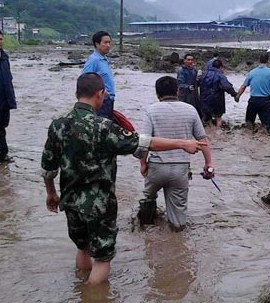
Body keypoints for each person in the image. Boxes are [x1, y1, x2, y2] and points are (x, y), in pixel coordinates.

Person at [41, 73, 205, 285]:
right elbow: (145, 143)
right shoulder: (105, 127)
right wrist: (182, 144)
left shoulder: (57, 125)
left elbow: (48, 167)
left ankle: (80, 288)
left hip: (71, 202)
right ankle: (92, 296)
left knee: (82, 248)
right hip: (100, 204)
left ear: (77, 93)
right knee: (102, 259)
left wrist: (51, 193)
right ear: (100, 94)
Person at [139, 76, 214, 231]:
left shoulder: (151, 110)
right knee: (178, 215)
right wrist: (208, 164)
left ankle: (145, 232)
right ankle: (177, 238)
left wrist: (143, 163)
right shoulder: (190, 110)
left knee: (148, 197)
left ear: (157, 93)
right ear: (178, 91)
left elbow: (144, 141)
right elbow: (203, 139)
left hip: (156, 167)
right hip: (180, 169)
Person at [235, 53, 270, 134]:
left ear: (258, 61)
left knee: (249, 124)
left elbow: (243, 87)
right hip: (265, 101)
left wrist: (237, 96)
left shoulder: (252, 72)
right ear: (268, 61)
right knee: (266, 126)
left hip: (253, 101)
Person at [82, 31, 115, 118]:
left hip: (108, 101)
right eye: (105, 42)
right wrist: (101, 93)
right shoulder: (94, 60)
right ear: (97, 44)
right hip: (100, 101)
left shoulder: (104, 59)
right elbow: (84, 80)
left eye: (109, 43)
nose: (108, 45)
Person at [0, 29, 17, 165]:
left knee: (2, 127)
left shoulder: (4, 57)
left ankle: (2, 153)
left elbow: (8, 78)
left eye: (0, 39)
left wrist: (11, 99)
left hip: (5, 98)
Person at [200, 59, 238, 127]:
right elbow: (227, 87)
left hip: (204, 100)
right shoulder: (220, 76)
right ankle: (218, 132)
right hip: (216, 101)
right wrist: (234, 94)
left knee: (206, 118)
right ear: (220, 67)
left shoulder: (204, 74)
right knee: (218, 118)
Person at [177, 53, 202, 117]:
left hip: (194, 95)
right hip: (185, 96)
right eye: (188, 60)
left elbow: (197, 83)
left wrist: (199, 79)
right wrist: (188, 87)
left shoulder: (194, 70)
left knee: (197, 112)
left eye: (191, 60)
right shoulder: (181, 71)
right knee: (185, 113)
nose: (190, 61)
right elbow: (180, 84)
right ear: (184, 61)